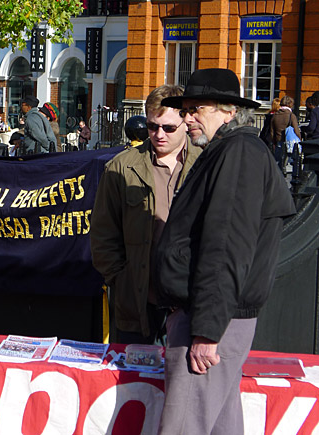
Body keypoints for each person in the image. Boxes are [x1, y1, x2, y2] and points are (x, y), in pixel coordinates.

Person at [153, 68, 295, 435]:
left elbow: (226, 245)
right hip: (212, 316)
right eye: (184, 110)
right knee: (218, 425)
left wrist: (206, 331)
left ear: (229, 111)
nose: (187, 119)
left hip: (213, 319)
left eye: (195, 109)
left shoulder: (239, 152)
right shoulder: (230, 151)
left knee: (184, 426)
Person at [90, 84, 201, 345]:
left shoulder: (205, 164)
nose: (159, 135)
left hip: (189, 303)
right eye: (152, 126)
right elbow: (103, 233)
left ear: (186, 122)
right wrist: (121, 280)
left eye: (169, 128)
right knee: (134, 382)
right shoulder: (121, 166)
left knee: (181, 384)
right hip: (137, 304)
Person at [270, 95, 301, 174]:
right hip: (289, 143)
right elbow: (296, 130)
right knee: (290, 167)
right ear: (290, 104)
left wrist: (274, 142)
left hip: (279, 142)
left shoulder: (275, 116)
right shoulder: (291, 116)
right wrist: (299, 139)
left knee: (278, 166)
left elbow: (272, 132)